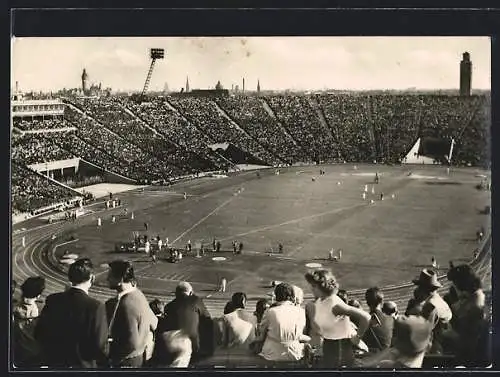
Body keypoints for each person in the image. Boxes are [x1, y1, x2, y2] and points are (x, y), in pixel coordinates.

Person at [35, 258, 108, 368]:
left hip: (55, 364)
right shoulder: (96, 307)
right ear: (92, 278)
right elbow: (100, 347)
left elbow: (39, 333)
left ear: (69, 277)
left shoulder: (53, 300)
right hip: (82, 366)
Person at [304, 269, 370, 368]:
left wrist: (357, 338)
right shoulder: (321, 301)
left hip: (340, 351)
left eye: (314, 286)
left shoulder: (335, 304)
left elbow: (365, 317)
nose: (311, 289)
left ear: (323, 287)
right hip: (328, 347)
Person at [105, 260, 158, 368]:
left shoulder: (126, 303)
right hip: (138, 358)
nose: (107, 279)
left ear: (120, 279)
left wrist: (114, 358)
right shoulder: (138, 294)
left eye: (110, 276)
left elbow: (132, 343)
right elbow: (155, 323)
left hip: (126, 361)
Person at [159, 282, 214, 364]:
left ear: (176, 294)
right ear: (191, 293)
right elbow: (207, 319)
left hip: (170, 342)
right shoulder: (196, 301)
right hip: (190, 342)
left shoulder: (168, 306)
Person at [255, 283, 310, 362]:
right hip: (294, 353)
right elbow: (299, 334)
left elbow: (261, 335)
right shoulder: (300, 311)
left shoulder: (270, 311)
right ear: (291, 296)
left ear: (277, 296)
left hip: (271, 354)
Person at [409, 268, 452, 354]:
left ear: (422, 289)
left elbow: (421, 334)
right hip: (443, 344)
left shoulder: (431, 306)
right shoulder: (439, 300)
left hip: (436, 350)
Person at [13, 277, 45, 367]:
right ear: (38, 295)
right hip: (30, 348)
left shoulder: (16, 306)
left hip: (17, 342)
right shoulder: (34, 310)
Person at [362, 287, 394, 352]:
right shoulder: (391, 319)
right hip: (387, 355)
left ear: (367, 303)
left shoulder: (363, 320)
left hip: (372, 357)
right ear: (382, 301)